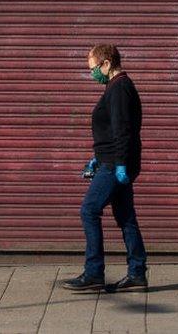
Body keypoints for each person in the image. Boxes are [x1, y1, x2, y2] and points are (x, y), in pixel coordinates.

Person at [62, 44, 148, 292]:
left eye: (94, 68)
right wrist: (96, 158)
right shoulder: (116, 87)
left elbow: (122, 130)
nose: (92, 74)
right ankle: (137, 273)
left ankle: (93, 273)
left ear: (107, 63)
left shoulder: (119, 88)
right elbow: (112, 132)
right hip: (111, 161)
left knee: (89, 210)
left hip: (115, 165)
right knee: (126, 218)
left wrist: (118, 164)